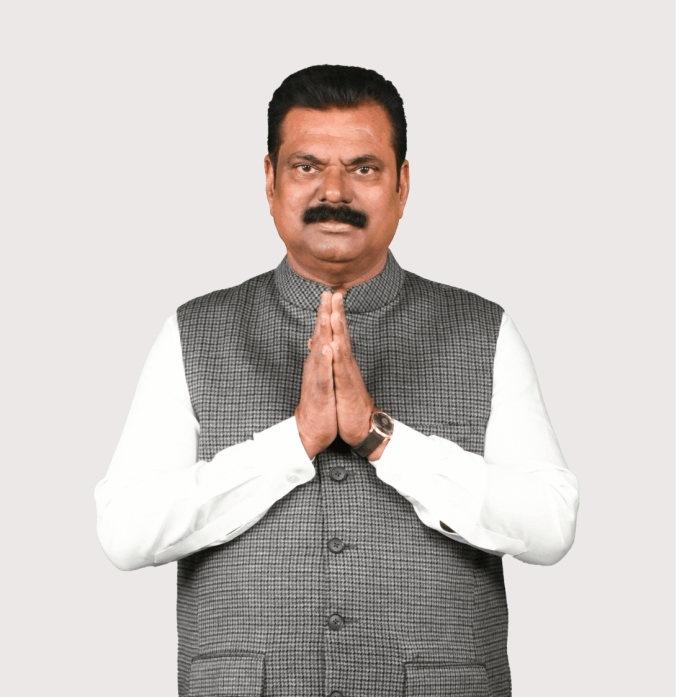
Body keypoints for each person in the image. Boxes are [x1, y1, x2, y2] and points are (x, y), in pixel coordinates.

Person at [95, 64, 579, 697]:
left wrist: (383, 439)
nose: (334, 191)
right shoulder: (194, 330)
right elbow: (125, 532)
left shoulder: (482, 329)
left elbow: (550, 526)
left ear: (402, 184)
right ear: (270, 181)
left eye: (364, 168)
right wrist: (293, 442)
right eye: (306, 166)